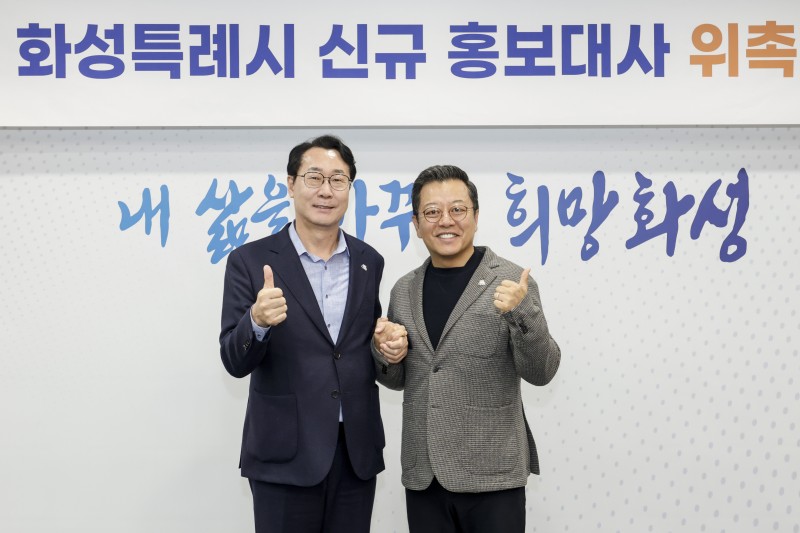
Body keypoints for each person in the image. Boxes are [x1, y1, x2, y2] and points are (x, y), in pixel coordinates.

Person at [219, 134, 407, 533]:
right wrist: (257, 321)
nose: (326, 191)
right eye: (315, 177)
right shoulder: (249, 260)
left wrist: (385, 347)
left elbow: (360, 346)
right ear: (291, 184)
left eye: (338, 180)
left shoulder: (368, 261)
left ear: (350, 188)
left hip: (355, 451)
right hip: (284, 453)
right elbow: (234, 360)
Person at [373, 164, 561, 533]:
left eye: (457, 209)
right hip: (424, 475)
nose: (446, 220)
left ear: (475, 216)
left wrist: (522, 311)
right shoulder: (403, 290)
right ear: (416, 224)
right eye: (432, 212)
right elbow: (399, 379)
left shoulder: (511, 282)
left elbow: (542, 372)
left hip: (493, 477)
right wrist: (386, 354)